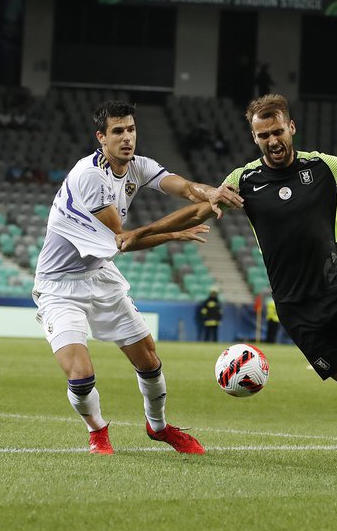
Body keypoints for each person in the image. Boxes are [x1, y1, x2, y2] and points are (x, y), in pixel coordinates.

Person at [117, 93, 337, 475]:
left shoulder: (321, 166)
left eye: (277, 131)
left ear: (291, 128)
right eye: (262, 135)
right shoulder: (243, 181)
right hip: (299, 315)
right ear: (255, 138)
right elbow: (197, 210)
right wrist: (140, 233)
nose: (272, 141)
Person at [31, 100, 243, 456]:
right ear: (101, 137)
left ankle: (158, 428)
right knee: (80, 375)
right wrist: (176, 232)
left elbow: (187, 187)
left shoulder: (137, 167)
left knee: (149, 358)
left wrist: (212, 192)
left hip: (99, 274)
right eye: (117, 131)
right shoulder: (89, 177)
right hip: (59, 285)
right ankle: (97, 430)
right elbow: (124, 240)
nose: (127, 137)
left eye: (130, 129)